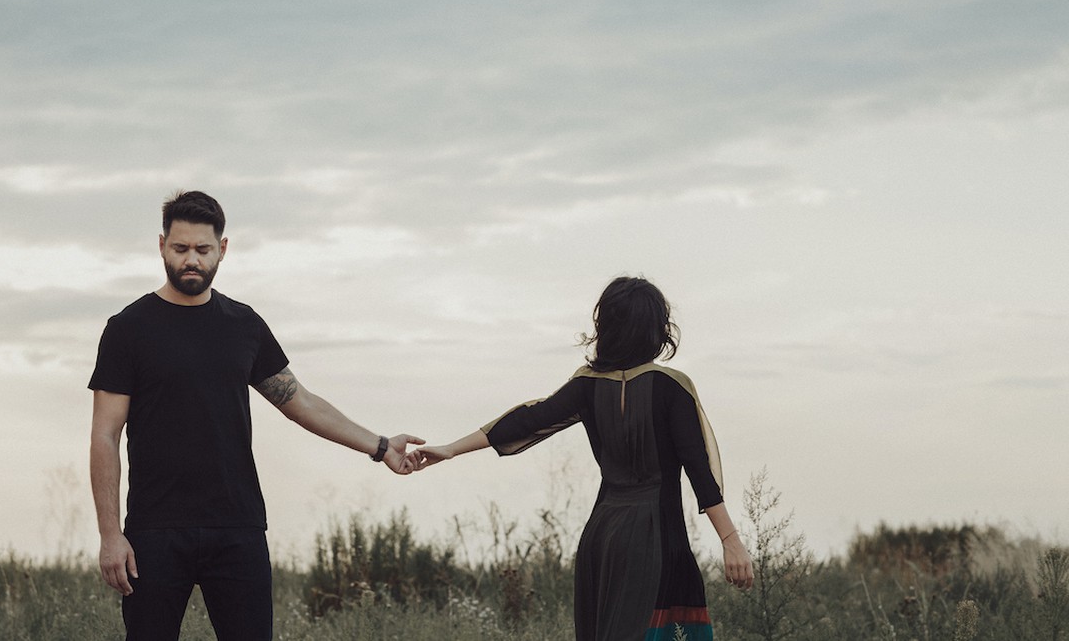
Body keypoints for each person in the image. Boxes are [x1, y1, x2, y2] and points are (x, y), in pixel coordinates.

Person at [88, 191, 424, 641]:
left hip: (237, 528)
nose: (192, 260)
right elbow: (105, 435)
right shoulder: (128, 329)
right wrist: (111, 535)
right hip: (155, 531)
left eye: (203, 250)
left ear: (222, 250)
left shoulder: (242, 325)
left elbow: (300, 402)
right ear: (162, 244)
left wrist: (380, 446)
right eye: (181, 248)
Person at [415, 276, 754, 641]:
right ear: (656, 328)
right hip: (655, 536)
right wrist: (730, 540)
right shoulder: (672, 386)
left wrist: (450, 448)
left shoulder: (587, 384)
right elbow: (698, 470)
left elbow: (526, 419)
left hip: (602, 537)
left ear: (606, 327)